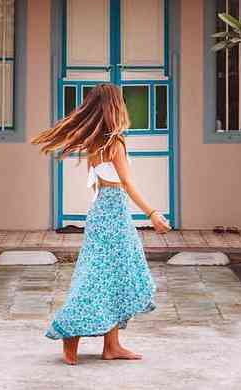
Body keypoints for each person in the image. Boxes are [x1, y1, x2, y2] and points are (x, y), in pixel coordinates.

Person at [32, 82, 170, 365]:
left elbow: (102, 182)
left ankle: (113, 345)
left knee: (112, 275)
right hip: (114, 211)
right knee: (101, 276)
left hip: (102, 211)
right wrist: (152, 213)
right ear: (114, 106)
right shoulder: (114, 141)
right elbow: (127, 183)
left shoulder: (96, 141)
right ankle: (71, 334)